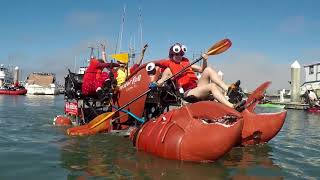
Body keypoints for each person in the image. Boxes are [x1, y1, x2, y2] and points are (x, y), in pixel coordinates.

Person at [150, 42, 246, 112]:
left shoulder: (187, 64)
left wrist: (204, 60)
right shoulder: (169, 70)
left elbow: (202, 70)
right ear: (172, 54)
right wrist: (155, 84)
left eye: (180, 54)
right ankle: (232, 106)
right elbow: (161, 81)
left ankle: (228, 89)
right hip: (187, 93)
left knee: (208, 69)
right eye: (176, 54)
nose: (179, 56)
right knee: (212, 86)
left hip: (196, 87)